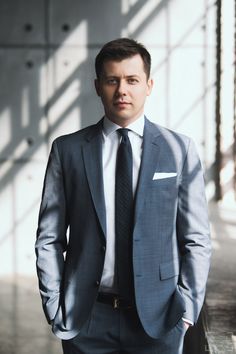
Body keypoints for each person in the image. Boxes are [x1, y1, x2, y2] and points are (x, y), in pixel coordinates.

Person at [35, 38, 211, 354]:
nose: (122, 90)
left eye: (132, 80)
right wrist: (54, 304)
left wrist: (186, 311)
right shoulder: (68, 151)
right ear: (97, 86)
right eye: (112, 80)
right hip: (86, 319)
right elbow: (49, 239)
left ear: (149, 85)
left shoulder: (179, 150)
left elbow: (196, 239)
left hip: (160, 321)